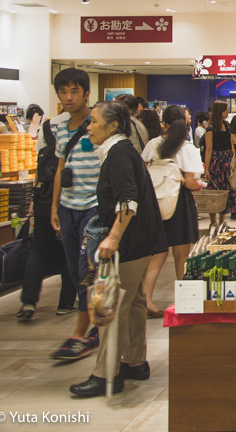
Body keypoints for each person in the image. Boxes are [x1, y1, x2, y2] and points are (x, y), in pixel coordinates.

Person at [69, 101, 167, 398]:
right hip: (143, 240)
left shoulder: (118, 154)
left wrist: (112, 238)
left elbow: (128, 200)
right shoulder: (122, 151)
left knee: (110, 307)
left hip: (129, 242)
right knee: (134, 302)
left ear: (113, 125)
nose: (89, 126)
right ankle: (135, 362)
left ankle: (105, 374)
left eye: (94, 121)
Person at [49, 68, 101, 361]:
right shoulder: (57, 128)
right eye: (63, 92)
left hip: (94, 207)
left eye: (73, 92)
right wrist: (54, 207)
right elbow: (60, 170)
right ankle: (92, 324)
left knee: (86, 270)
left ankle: (81, 332)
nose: (68, 97)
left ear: (85, 93)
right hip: (68, 206)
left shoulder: (99, 124)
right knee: (72, 270)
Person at [140, 105, 203, 316]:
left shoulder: (152, 144)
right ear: (185, 124)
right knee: (181, 256)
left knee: (156, 255)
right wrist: (200, 185)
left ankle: (147, 302)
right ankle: (185, 301)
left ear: (163, 124)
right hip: (178, 204)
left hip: (154, 204)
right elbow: (191, 183)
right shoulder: (187, 149)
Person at [16, 112, 76, 321]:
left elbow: (40, 162)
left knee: (39, 247)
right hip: (72, 197)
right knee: (71, 248)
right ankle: (66, 302)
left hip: (44, 196)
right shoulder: (86, 124)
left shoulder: (48, 125)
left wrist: (35, 196)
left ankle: (28, 301)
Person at [203, 100, 236, 225]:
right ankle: (213, 222)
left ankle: (222, 221)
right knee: (214, 192)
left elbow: (231, 146)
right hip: (216, 162)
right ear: (220, 111)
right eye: (225, 109)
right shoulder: (210, 129)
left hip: (227, 161)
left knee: (226, 191)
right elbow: (209, 149)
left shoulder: (227, 125)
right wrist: (206, 169)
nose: (227, 111)